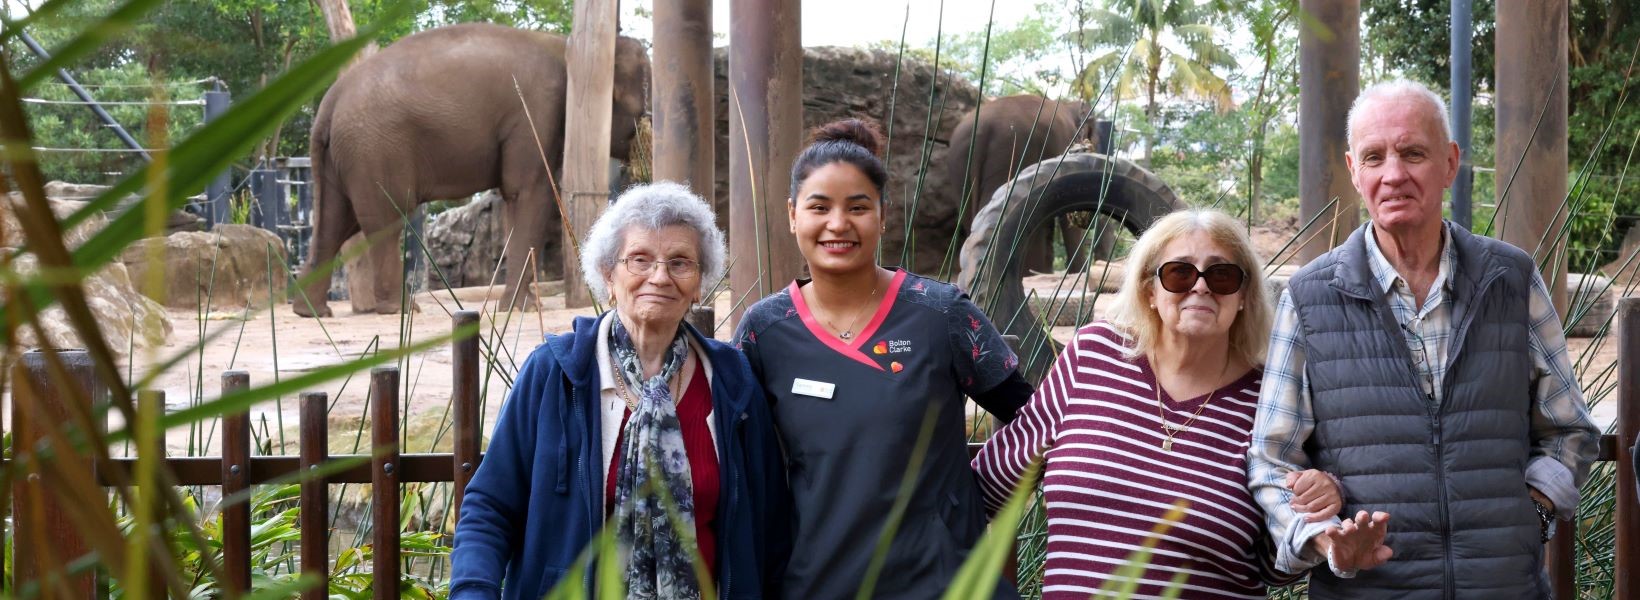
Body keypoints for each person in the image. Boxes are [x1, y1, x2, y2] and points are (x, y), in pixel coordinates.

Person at [1248, 79, 1602, 598]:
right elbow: (1272, 459)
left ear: (1450, 163)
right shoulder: (1308, 297)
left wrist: (1532, 512)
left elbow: (1570, 429)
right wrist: (1325, 539)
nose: (1394, 174)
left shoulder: (1511, 279)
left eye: (1413, 153)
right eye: (1374, 157)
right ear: (1354, 171)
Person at [973, 208, 1367, 598]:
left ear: (1244, 296)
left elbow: (1274, 566)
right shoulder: (1092, 357)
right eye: (1179, 273)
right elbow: (990, 488)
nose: (1201, 287)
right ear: (1150, 290)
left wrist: (1320, 498)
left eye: (1222, 275)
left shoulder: (1268, 398)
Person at [733, 118, 1033, 599]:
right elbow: (737, 460)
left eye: (857, 207)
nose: (838, 224)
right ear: (792, 215)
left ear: (884, 214)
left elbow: (1035, 418)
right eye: (819, 207)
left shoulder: (940, 314)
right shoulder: (764, 331)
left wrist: (974, 494)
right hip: (817, 583)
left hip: (944, 583)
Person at [450, 182, 790, 600]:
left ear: (700, 283)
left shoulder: (732, 381)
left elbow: (771, 528)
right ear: (609, 275)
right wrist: (473, 591)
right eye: (639, 259)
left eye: (680, 262)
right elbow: (490, 506)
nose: (660, 277)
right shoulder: (554, 373)